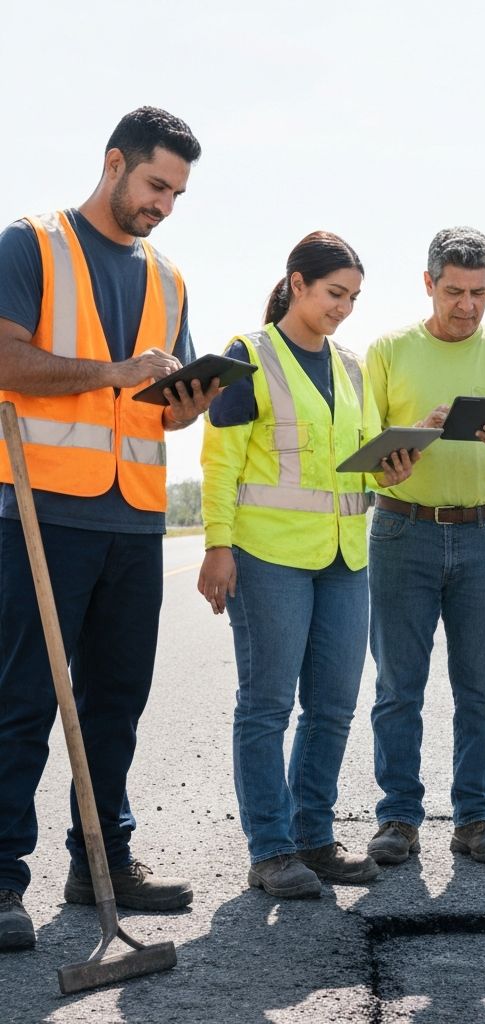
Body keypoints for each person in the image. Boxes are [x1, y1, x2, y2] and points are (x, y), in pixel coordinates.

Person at [0, 107, 212, 951]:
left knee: (117, 700)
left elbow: (161, 414)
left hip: (134, 516)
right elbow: (6, 359)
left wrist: (187, 404)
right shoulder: (29, 244)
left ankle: (102, 861)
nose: (164, 204)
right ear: (114, 162)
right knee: (19, 701)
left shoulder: (169, 278)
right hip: (40, 507)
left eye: (178, 193)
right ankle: (0, 880)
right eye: (157, 184)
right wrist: (116, 373)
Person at [198, 232, 417, 899]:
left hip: (347, 556)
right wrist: (217, 544)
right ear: (297, 283)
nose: (344, 308)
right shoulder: (248, 356)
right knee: (266, 706)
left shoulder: (353, 367)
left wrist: (395, 465)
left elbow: (354, 463)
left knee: (333, 707)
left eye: (353, 297)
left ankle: (313, 837)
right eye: (333, 294)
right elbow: (222, 459)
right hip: (269, 557)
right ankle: (270, 850)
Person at [364, 227, 485, 868]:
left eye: (478, 293)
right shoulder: (387, 351)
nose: (467, 305)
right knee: (399, 687)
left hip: (483, 534)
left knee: (480, 688)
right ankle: (398, 817)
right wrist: (411, 435)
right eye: (454, 291)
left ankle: (476, 818)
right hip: (401, 530)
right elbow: (364, 447)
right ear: (428, 284)